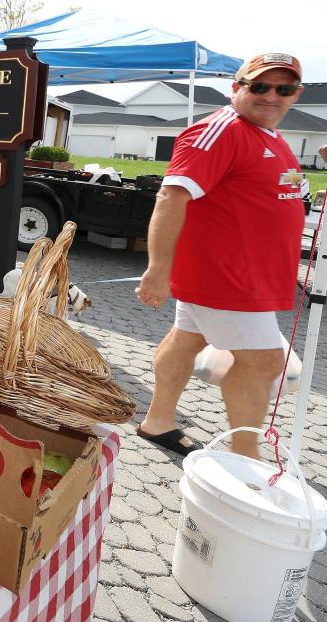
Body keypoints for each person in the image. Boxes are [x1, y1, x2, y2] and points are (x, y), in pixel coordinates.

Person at [135, 52, 312, 459]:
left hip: (249, 278)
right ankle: (245, 461)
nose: (271, 96)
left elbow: (279, 192)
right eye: (259, 86)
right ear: (237, 87)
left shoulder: (270, 135)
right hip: (227, 278)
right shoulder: (220, 130)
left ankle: (157, 422)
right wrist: (157, 270)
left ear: (296, 94)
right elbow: (171, 195)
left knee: (186, 342)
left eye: (283, 89)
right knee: (264, 362)